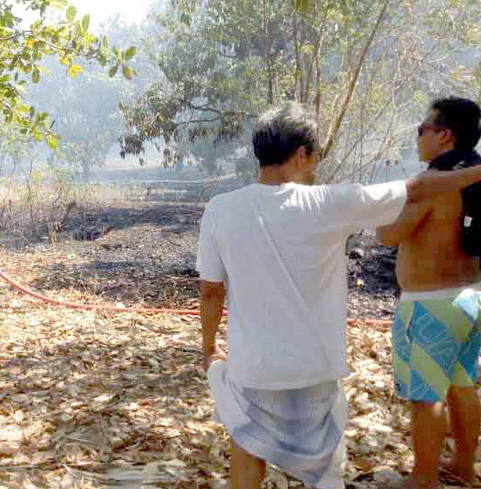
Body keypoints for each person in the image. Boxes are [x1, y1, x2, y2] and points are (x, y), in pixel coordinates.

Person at [199, 102, 481, 489]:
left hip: (253, 369)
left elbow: (211, 292)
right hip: (316, 369)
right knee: (325, 470)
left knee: (248, 451)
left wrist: (209, 348)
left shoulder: (220, 210)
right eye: (315, 156)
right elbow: (417, 187)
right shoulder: (329, 203)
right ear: (301, 154)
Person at [376, 97, 481, 489]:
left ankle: (423, 478)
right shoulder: (473, 174)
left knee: (426, 394)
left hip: (431, 305)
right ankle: (464, 467)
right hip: (472, 296)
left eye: (422, 130)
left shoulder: (437, 182)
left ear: (445, 135)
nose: (417, 137)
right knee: (462, 384)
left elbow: (389, 234)